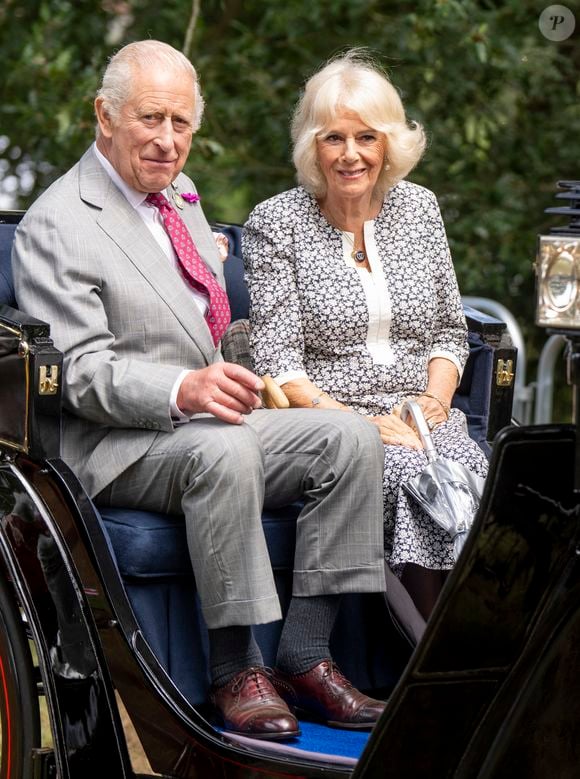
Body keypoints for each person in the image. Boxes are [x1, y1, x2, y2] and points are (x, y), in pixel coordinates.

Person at [11, 41, 389, 739]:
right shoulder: (56, 225)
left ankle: (305, 653)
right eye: (151, 118)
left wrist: (240, 367)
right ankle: (233, 668)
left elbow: (200, 320)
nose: (167, 140)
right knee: (224, 453)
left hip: (205, 421)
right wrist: (186, 387)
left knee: (352, 439)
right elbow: (81, 373)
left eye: (182, 123)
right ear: (104, 114)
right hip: (117, 444)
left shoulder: (178, 198)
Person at [243, 51, 489, 619]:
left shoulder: (420, 209)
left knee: (480, 482)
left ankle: (486, 668)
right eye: (333, 138)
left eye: (366, 138)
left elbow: (451, 332)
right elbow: (279, 365)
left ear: (389, 145)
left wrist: (433, 402)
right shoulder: (277, 222)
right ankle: (425, 668)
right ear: (313, 147)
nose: (351, 155)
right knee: (415, 488)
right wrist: (361, 425)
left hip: (423, 418)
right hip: (333, 426)